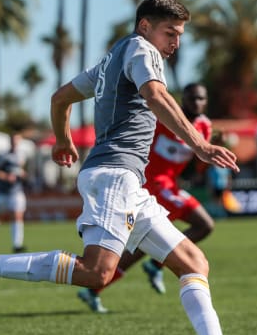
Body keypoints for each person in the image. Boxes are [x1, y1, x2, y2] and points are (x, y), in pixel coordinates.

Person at [0, 0, 257, 335]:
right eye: (170, 33)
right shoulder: (143, 50)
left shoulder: (113, 57)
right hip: (115, 176)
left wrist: (64, 140)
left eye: (179, 35)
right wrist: (199, 144)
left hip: (125, 180)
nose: (175, 43)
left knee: (193, 261)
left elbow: (60, 98)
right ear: (145, 26)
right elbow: (156, 95)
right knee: (97, 273)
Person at [76, 83, 215, 314]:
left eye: (202, 99)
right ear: (183, 100)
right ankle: (155, 263)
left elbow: (196, 162)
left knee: (143, 245)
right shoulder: (164, 118)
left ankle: (94, 289)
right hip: (152, 185)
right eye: (192, 98)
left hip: (170, 185)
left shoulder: (204, 126)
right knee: (203, 224)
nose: (197, 103)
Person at [0, 134, 28, 253]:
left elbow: (20, 169)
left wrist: (22, 174)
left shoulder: (21, 154)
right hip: (2, 191)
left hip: (16, 191)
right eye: (13, 140)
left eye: (17, 141)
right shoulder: (3, 156)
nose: (15, 143)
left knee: (17, 216)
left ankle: (17, 245)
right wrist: (5, 176)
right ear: (10, 141)